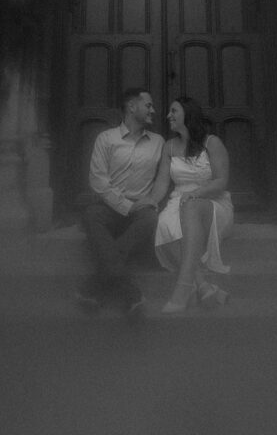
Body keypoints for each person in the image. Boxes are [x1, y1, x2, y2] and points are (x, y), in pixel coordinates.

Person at [77, 87, 164, 317]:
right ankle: (130, 292)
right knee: (91, 215)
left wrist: (151, 200)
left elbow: (163, 178)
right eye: (148, 105)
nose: (153, 111)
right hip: (109, 206)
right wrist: (125, 205)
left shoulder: (158, 142)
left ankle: (92, 287)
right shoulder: (106, 139)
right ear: (131, 107)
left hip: (140, 211)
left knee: (150, 218)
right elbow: (98, 180)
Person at [152, 96, 234, 314]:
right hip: (178, 200)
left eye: (173, 111)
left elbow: (221, 181)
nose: (168, 115)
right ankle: (204, 285)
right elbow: (162, 183)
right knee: (164, 226)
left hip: (211, 202)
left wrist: (197, 193)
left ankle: (183, 290)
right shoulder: (169, 147)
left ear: (188, 115)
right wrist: (148, 201)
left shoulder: (212, 143)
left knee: (190, 205)